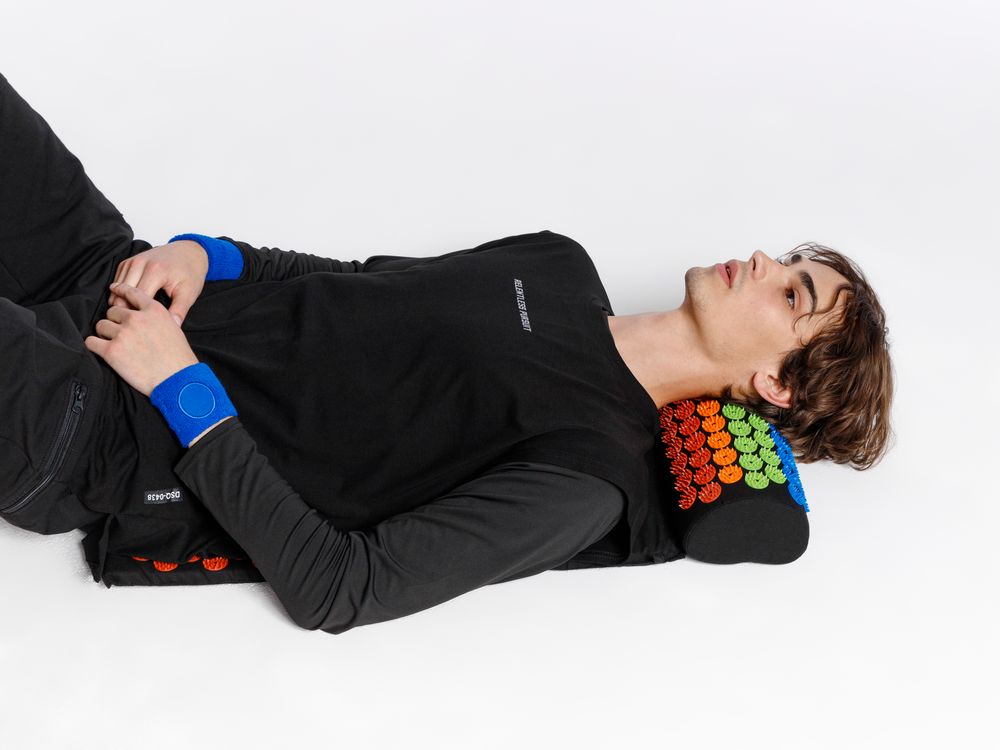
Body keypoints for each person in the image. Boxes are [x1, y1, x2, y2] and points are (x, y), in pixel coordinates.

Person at [1, 72, 894, 634]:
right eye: (789, 260)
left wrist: (182, 388)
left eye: (792, 295)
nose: (763, 263)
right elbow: (353, 279)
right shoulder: (558, 262)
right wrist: (206, 255)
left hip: (97, 425)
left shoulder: (588, 473)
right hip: (118, 280)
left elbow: (340, 587)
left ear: (774, 384)